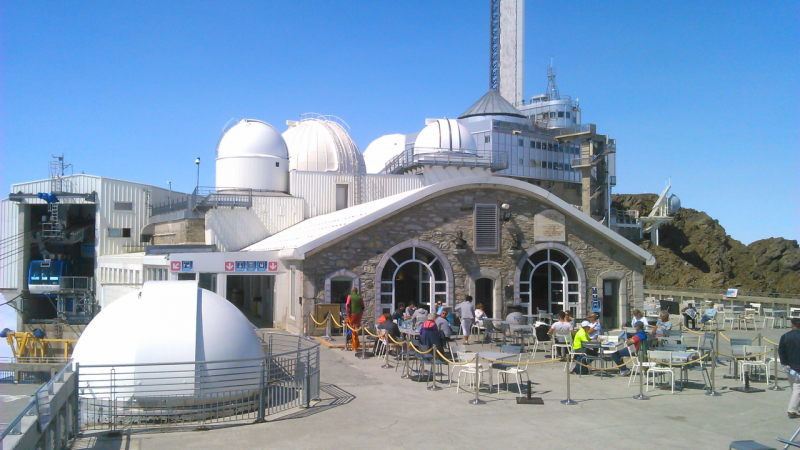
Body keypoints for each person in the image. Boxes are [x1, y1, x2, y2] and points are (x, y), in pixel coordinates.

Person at [779, 318, 800, 419]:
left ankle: (796, 407)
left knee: (794, 388)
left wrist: (784, 364)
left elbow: (781, 351)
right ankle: (792, 410)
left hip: (790, 367)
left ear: (792, 325)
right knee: (797, 389)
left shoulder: (785, 336)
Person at [345, 287, 364, 352]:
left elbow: (347, 305)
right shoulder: (360, 297)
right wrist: (361, 313)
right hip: (359, 314)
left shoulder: (349, 296)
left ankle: (353, 341)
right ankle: (356, 341)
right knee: (356, 327)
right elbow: (363, 306)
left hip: (352, 314)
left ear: (352, 291)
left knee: (350, 327)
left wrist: (348, 313)